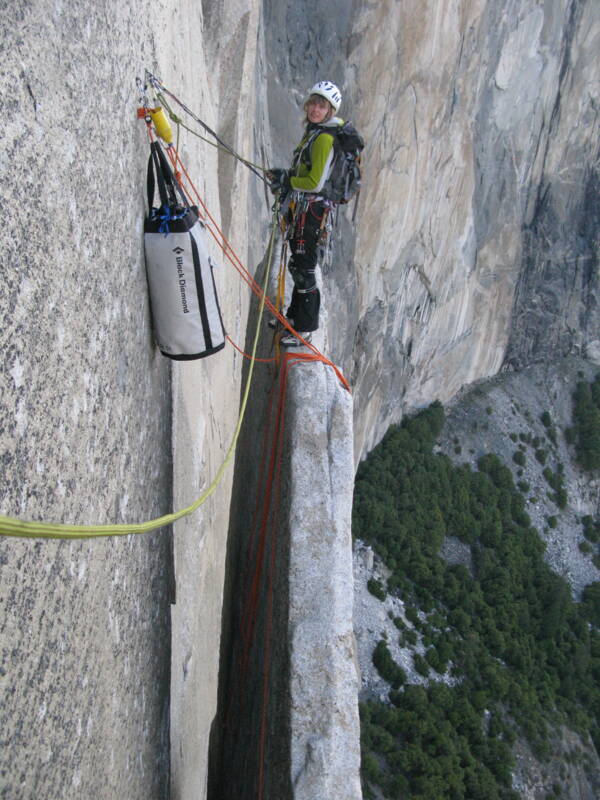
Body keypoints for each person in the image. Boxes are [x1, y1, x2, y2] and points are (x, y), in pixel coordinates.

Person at [268, 80, 344, 346]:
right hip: (305, 209)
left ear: (330, 110)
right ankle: (293, 319)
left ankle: (305, 329)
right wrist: (286, 176)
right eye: (313, 102)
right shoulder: (315, 132)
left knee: (304, 270)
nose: (315, 108)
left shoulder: (324, 138)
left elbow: (315, 183)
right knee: (298, 265)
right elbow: (305, 173)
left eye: (321, 105)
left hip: (312, 212)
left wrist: (287, 182)